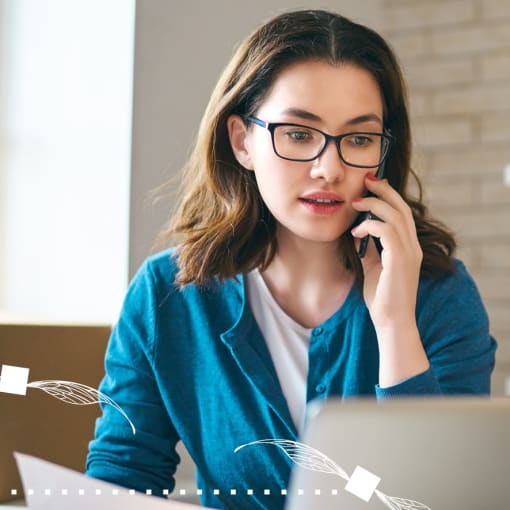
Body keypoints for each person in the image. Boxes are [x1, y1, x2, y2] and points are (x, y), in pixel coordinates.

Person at [86, 9, 497, 509]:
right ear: (243, 142)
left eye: (360, 139)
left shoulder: (440, 293)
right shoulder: (166, 294)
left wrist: (394, 327)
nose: (330, 168)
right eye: (299, 134)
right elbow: (120, 478)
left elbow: (445, 498)